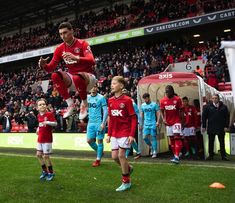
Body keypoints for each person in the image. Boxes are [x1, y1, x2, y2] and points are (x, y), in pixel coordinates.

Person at [38, 22, 96, 120]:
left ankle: (84, 104)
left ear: (72, 31)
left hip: (88, 79)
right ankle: (70, 105)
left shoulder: (82, 43)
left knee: (77, 77)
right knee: (54, 75)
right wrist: (44, 65)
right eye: (61, 34)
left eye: (65, 32)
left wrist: (76, 58)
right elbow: (50, 68)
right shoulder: (59, 49)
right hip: (74, 80)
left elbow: (92, 60)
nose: (63, 36)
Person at [106, 76, 137, 192]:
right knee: (114, 157)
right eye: (111, 83)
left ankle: (126, 182)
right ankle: (128, 168)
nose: (112, 85)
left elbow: (134, 118)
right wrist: (108, 134)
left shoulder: (128, 100)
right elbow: (111, 119)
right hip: (114, 133)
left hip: (125, 132)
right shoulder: (110, 100)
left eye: (114, 83)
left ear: (121, 86)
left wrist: (131, 134)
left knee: (121, 155)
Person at [202, 94, 230, 161]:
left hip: (221, 127)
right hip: (211, 127)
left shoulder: (224, 107)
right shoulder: (207, 107)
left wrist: (226, 126)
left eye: (216, 98)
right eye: (213, 98)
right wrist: (204, 126)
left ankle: (223, 156)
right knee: (211, 142)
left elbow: (227, 117)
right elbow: (204, 117)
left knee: (222, 142)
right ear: (211, 99)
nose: (214, 99)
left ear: (218, 99)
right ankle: (210, 155)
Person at [160, 85, 183, 164]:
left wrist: (182, 122)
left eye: (168, 91)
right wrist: (163, 119)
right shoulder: (163, 100)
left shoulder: (177, 99)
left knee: (177, 137)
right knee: (172, 139)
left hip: (176, 121)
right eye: (166, 92)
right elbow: (162, 111)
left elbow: (181, 111)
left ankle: (176, 156)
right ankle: (175, 154)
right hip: (168, 122)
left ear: (172, 91)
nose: (167, 93)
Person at [86, 84, 108, 167]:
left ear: (97, 88)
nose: (93, 88)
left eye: (94, 87)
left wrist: (103, 123)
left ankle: (98, 159)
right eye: (91, 87)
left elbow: (105, 111)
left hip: (98, 122)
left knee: (99, 141)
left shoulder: (101, 98)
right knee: (89, 140)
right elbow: (83, 106)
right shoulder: (87, 98)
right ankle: (100, 152)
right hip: (90, 122)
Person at [36, 98, 57, 181]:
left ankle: (51, 172)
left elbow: (55, 123)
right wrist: (38, 129)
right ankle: (44, 171)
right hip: (40, 137)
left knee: (46, 156)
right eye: (40, 104)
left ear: (46, 105)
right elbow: (40, 124)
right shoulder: (38, 115)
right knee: (38, 155)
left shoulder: (49, 114)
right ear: (37, 107)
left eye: (43, 104)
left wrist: (47, 122)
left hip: (47, 139)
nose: (42, 106)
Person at [122, 89, 141, 160]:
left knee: (129, 139)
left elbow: (137, 113)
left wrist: (139, 122)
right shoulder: (124, 102)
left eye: (124, 93)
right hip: (126, 123)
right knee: (130, 140)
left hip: (132, 123)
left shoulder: (132, 102)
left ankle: (126, 155)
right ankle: (138, 152)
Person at [140, 93, 160, 158]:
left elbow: (158, 113)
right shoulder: (143, 105)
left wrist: (157, 121)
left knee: (153, 137)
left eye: (146, 98)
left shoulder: (154, 104)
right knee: (144, 137)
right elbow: (142, 114)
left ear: (149, 97)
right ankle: (151, 146)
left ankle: (154, 152)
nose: (145, 100)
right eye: (144, 99)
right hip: (146, 124)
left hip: (153, 123)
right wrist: (141, 123)